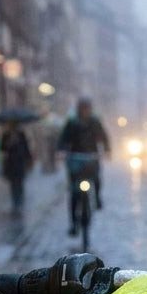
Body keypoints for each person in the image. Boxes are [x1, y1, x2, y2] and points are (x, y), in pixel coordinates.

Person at [57, 98, 110, 237]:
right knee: (74, 193)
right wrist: (61, 151)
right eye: (83, 108)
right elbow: (63, 139)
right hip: (75, 159)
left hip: (91, 158)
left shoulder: (95, 122)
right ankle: (73, 223)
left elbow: (104, 137)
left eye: (87, 108)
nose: (85, 111)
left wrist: (107, 150)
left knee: (96, 178)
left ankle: (97, 198)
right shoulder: (72, 122)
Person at [0, 121, 33, 213]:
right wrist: (9, 143)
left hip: (20, 161)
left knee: (20, 181)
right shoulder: (6, 135)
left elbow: (26, 148)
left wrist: (29, 160)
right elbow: (2, 148)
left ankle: (20, 200)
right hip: (10, 162)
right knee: (13, 183)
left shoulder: (21, 134)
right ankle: (15, 201)